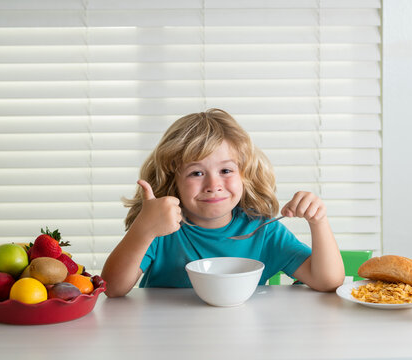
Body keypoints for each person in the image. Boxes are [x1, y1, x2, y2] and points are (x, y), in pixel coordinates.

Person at [101, 109, 345, 297]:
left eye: (226, 170)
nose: (213, 184)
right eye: (196, 173)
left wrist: (318, 221)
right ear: (172, 180)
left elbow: (328, 281)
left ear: (245, 175)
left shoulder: (263, 231)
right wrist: (144, 228)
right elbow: (112, 288)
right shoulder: (161, 230)